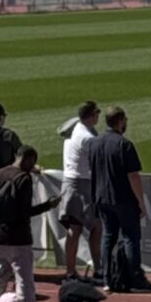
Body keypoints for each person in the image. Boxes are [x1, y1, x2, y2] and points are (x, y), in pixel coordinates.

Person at [0, 144, 57, 302]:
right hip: (19, 237)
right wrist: (48, 205)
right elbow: (24, 211)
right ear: (29, 158)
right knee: (24, 282)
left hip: (0, 236)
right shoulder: (24, 179)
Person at [88, 106, 146, 293]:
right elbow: (133, 176)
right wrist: (141, 201)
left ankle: (107, 277)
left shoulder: (93, 143)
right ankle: (134, 276)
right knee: (130, 237)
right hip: (122, 198)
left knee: (108, 236)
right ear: (120, 121)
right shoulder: (124, 144)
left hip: (102, 197)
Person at [57, 99, 102, 283]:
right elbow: (97, 161)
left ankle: (70, 272)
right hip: (82, 184)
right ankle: (98, 269)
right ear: (91, 115)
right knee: (95, 227)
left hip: (71, 182)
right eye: (97, 113)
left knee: (74, 229)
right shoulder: (86, 137)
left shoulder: (75, 127)